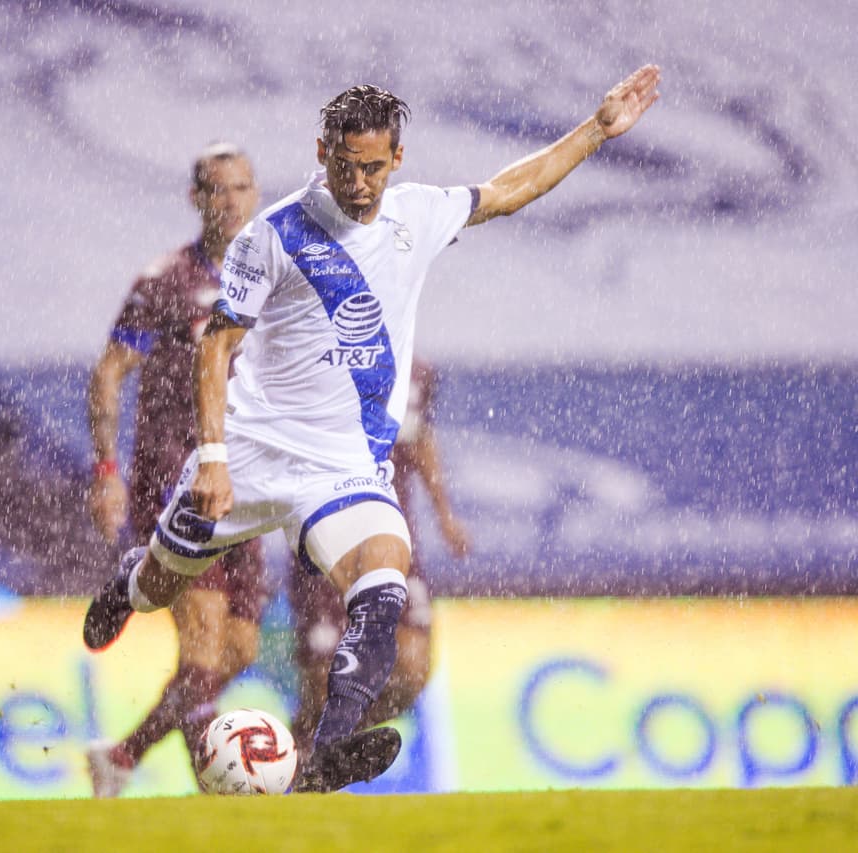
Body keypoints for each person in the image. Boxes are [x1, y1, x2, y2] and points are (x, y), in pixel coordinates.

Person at [84, 66, 662, 793]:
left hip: (344, 467)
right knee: (162, 581)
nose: (359, 185)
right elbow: (217, 345)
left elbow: (511, 188)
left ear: (398, 160)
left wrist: (596, 131)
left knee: (383, 578)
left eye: (374, 169)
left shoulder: (415, 215)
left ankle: (326, 752)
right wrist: (213, 455)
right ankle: (128, 585)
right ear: (321, 151)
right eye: (346, 167)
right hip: (256, 453)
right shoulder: (274, 235)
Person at [84, 143, 268, 797]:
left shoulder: (274, 279)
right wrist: (107, 469)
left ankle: (123, 755)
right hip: (179, 481)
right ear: (196, 198)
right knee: (203, 641)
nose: (232, 201)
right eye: (218, 189)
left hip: (250, 487)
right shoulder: (166, 280)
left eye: (242, 188)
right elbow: (110, 372)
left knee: (238, 649)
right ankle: (219, 801)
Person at [289, 359, 469, 760]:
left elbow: (420, 438)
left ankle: (313, 750)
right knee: (324, 684)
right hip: (326, 546)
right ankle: (304, 755)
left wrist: (445, 514)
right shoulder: (314, 354)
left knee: (413, 668)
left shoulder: (415, 370)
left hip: (394, 546)